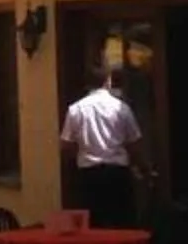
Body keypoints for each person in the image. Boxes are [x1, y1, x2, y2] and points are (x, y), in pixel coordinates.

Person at [59, 64, 146, 229]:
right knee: (122, 225)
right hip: (117, 174)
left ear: (87, 84)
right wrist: (142, 167)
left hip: (89, 176)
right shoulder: (121, 108)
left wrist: (81, 153)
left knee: (93, 227)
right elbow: (134, 143)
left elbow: (65, 145)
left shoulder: (76, 110)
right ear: (108, 81)